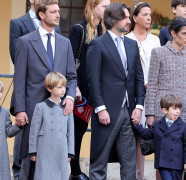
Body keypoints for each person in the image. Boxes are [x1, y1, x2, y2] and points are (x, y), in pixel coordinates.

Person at [13, 0, 77, 179]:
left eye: (59, 11)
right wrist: (20, 109)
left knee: (57, 163)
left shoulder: (65, 43)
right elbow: (19, 80)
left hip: (59, 110)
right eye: (54, 11)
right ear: (42, 14)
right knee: (30, 160)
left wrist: (70, 97)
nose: (58, 15)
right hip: (33, 110)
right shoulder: (25, 42)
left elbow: (71, 76)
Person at [87, 3, 145, 179]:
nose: (129, 21)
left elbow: (139, 78)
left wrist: (139, 106)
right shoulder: (97, 45)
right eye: (126, 17)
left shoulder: (132, 45)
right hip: (106, 112)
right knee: (99, 161)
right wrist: (100, 108)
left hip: (129, 111)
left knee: (129, 163)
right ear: (113, 20)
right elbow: (93, 81)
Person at [69, 0, 109, 179]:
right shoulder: (80, 29)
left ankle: (97, 171)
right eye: (104, 7)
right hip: (82, 93)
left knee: (99, 133)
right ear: (93, 7)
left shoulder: (106, 30)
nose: (108, 10)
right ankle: (75, 172)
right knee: (78, 132)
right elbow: (70, 60)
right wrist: (74, 86)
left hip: (101, 91)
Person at [126, 2, 160, 180]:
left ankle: (145, 174)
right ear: (134, 17)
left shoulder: (155, 40)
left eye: (150, 14)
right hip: (132, 93)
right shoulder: (127, 39)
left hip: (152, 92)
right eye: (145, 14)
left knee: (148, 133)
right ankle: (135, 174)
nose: (149, 18)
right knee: (134, 133)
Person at [145, 16, 186, 126]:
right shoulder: (158, 53)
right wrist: (150, 113)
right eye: (184, 33)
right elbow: (152, 85)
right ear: (173, 33)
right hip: (163, 110)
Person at [133, 94, 186, 180]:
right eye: (175, 109)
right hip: (163, 163)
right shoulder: (158, 125)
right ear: (165, 110)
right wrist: (137, 126)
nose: (178, 111)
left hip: (178, 163)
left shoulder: (184, 126)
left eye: (179, 108)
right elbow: (147, 135)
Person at [28, 72, 74, 180]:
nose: (63, 90)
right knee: (43, 175)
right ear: (49, 88)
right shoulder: (40, 107)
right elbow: (34, 131)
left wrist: (70, 152)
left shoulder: (67, 108)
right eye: (59, 87)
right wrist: (32, 151)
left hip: (61, 149)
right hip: (44, 149)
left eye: (64, 86)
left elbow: (71, 132)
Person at [159, 0, 186, 90]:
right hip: (169, 86)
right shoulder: (164, 32)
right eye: (183, 6)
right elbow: (161, 61)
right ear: (174, 9)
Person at [0, 81, 23, 180]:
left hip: (2, 156)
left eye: (1, 91)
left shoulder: (4, 112)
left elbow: (8, 132)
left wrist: (18, 126)